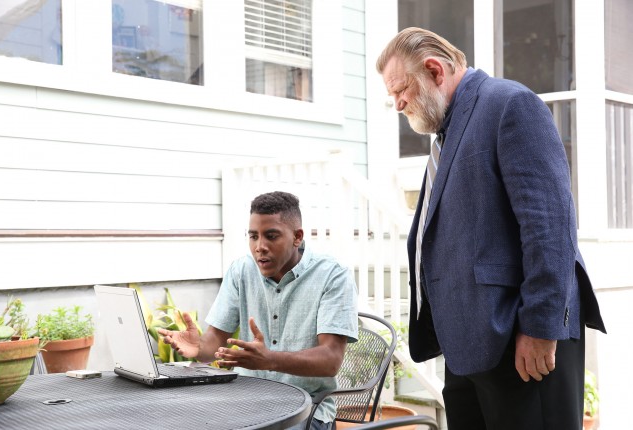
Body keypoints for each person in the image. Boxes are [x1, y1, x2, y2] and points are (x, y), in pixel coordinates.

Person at [376, 28, 606, 430]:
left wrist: (539, 328)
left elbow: (550, 227)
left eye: (400, 89)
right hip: (472, 349)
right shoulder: (448, 132)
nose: (397, 103)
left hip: (521, 343)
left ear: (435, 70)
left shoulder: (510, 104)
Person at [158, 191, 358, 430]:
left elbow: (331, 360)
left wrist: (269, 360)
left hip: (306, 411)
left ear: (297, 237)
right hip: (244, 403)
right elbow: (214, 341)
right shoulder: (241, 271)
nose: (260, 247)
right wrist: (199, 347)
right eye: (253, 236)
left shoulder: (333, 275)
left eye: (271, 236)